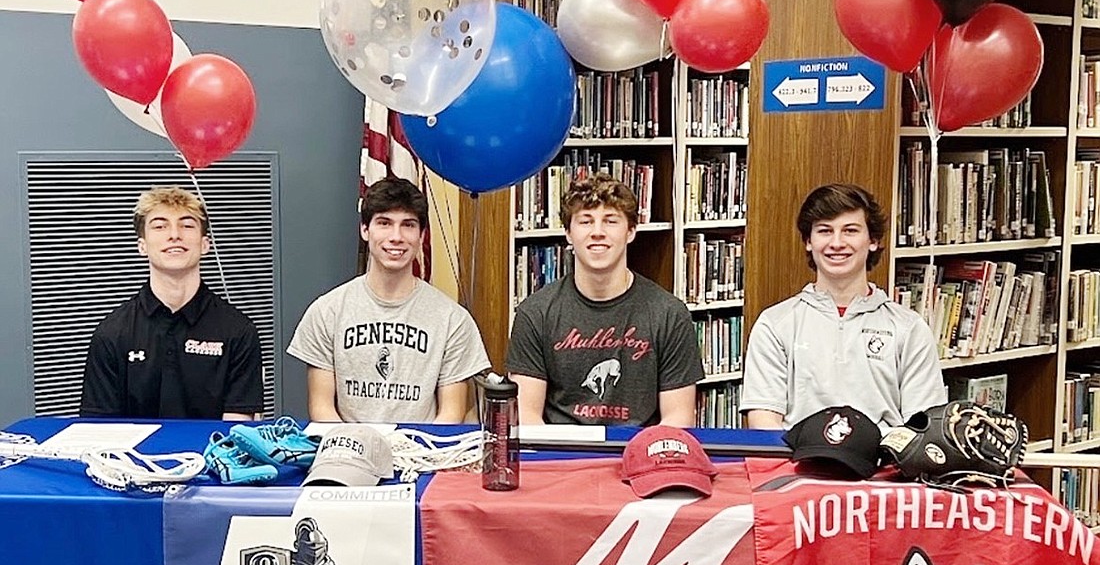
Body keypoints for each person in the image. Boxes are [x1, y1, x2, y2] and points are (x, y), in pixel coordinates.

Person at [740, 182, 946, 431]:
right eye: (825, 231)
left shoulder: (909, 329)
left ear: (873, 240)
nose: (837, 243)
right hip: (799, 466)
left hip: (882, 466)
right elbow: (764, 422)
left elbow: (922, 427)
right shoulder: (774, 325)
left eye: (850, 230)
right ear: (808, 241)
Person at [287, 176, 489, 423]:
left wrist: (415, 454)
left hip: (423, 454)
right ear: (365, 229)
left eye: (408, 225)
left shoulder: (453, 320)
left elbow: (450, 415)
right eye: (384, 223)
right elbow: (322, 410)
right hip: (349, 453)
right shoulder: (326, 312)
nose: (396, 237)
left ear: (422, 234)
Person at [506, 173, 702, 426]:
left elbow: (679, 418)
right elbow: (527, 416)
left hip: (640, 455)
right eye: (586, 222)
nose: (597, 232)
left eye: (611, 221)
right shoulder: (535, 314)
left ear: (631, 231)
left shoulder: (669, 314)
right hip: (561, 455)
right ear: (568, 233)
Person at [80, 186, 263, 421]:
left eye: (187, 225)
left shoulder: (239, 331)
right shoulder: (112, 334)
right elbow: (98, 429)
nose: (174, 235)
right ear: (142, 246)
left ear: (205, 245)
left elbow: (236, 431)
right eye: (159, 226)